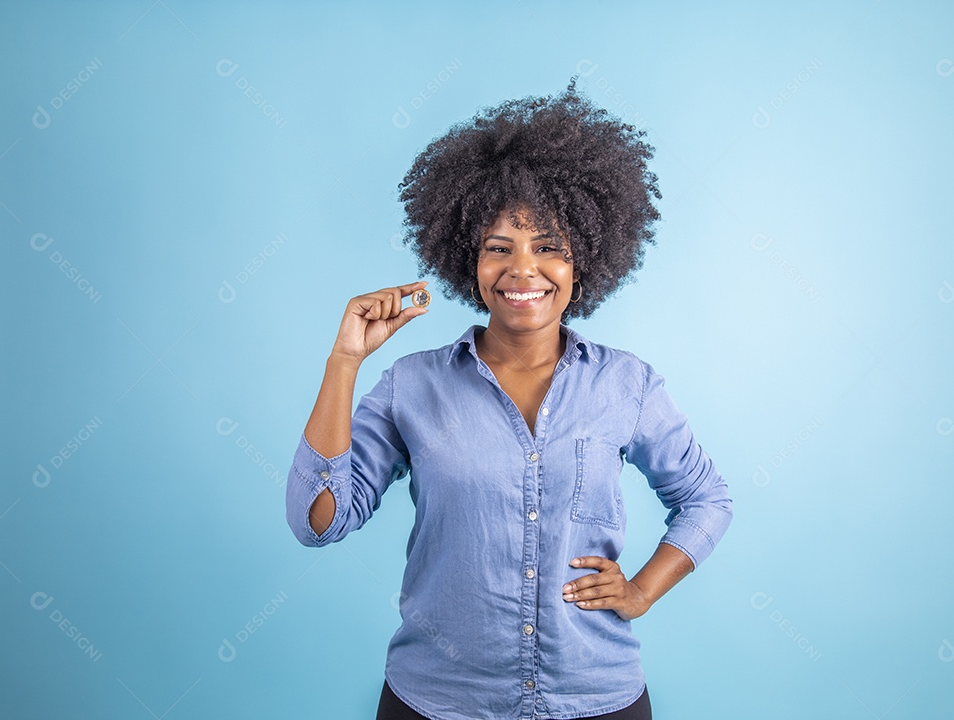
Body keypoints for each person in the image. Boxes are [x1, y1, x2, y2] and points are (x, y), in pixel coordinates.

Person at [285, 77, 733, 720]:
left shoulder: (625, 385)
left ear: (584, 260)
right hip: (440, 701)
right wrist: (345, 361)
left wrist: (639, 592)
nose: (523, 269)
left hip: (593, 698)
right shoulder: (412, 386)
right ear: (469, 260)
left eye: (548, 247)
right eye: (500, 249)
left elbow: (706, 498)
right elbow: (318, 522)